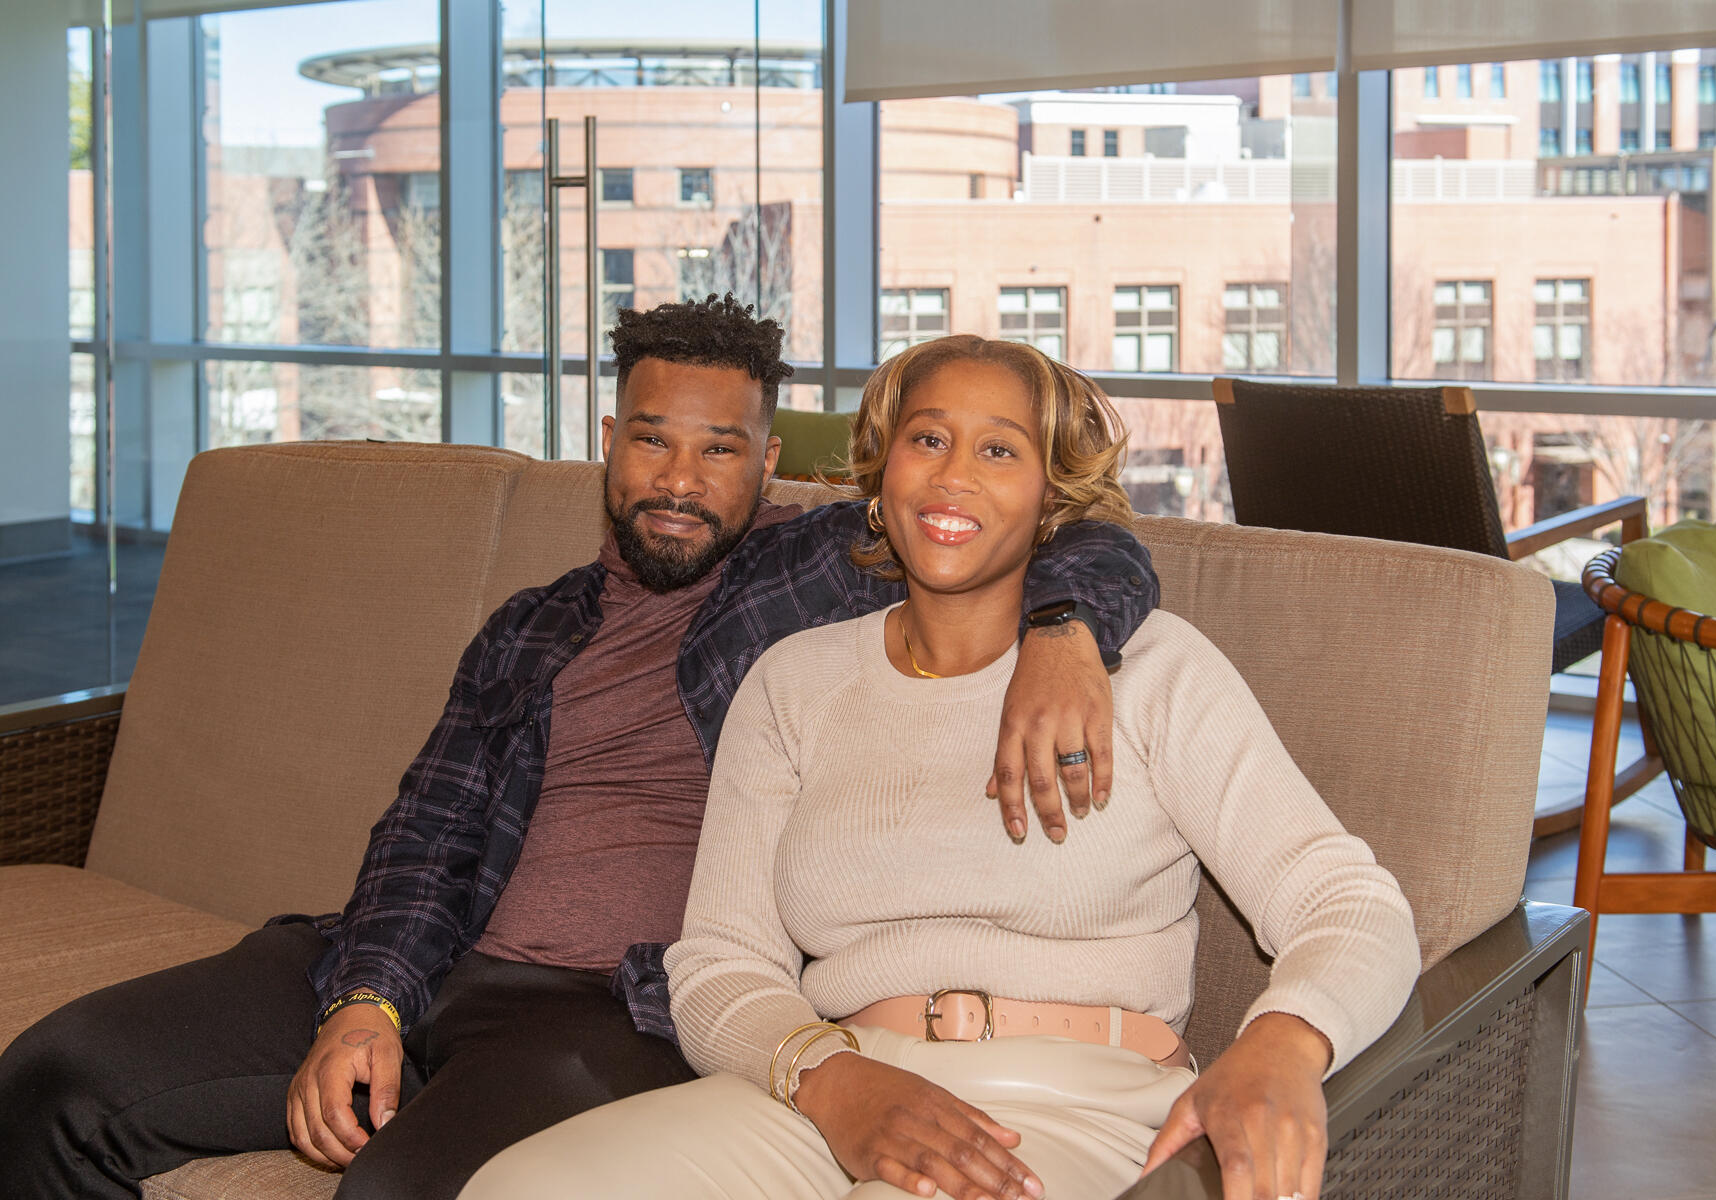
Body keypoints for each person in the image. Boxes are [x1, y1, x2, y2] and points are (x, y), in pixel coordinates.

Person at [0, 300, 1160, 1200]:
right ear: (610, 441)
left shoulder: (815, 577)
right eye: (653, 440)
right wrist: (368, 999)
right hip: (441, 963)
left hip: (620, 1012)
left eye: (720, 452)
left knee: (404, 1188)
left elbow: (1078, 532)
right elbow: (428, 830)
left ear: (770, 470)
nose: (680, 480)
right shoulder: (532, 625)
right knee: (57, 1079)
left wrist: (1062, 635)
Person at [460, 335, 1421, 1200]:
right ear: (880, 477)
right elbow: (718, 963)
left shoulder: (1156, 669)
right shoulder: (792, 681)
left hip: (1075, 1107)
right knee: (517, 1186)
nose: (953, 477)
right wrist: (833, 1080)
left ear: (1052, 493)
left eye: (999, 450)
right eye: (927, 441)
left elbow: (1345, 900)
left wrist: (1281, 1044)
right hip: (827, 1093)